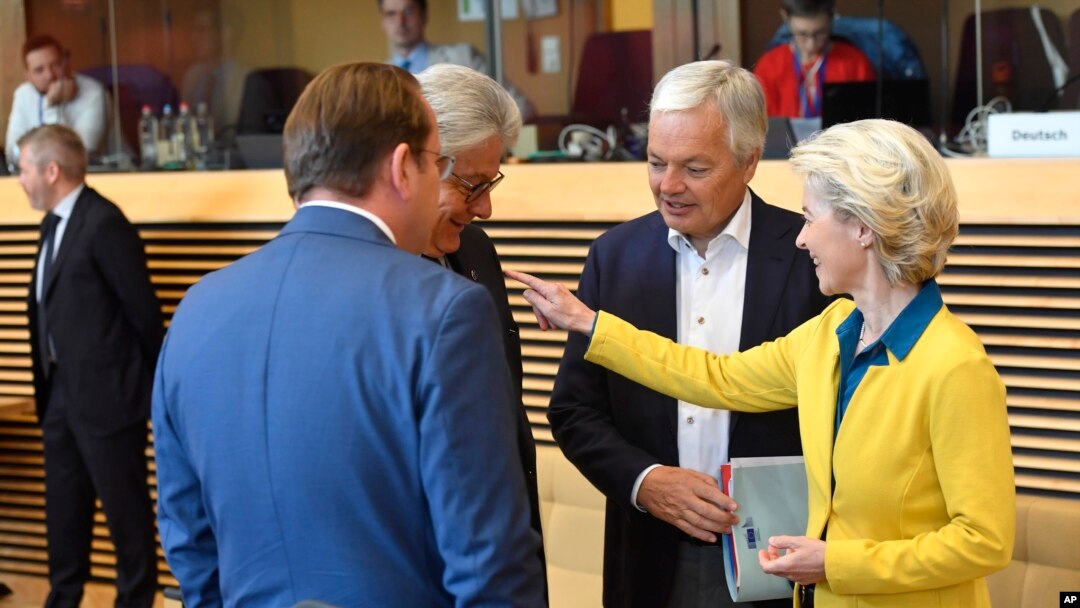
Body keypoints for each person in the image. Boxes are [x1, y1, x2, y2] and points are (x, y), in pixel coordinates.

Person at [510, 118, 1016, 607]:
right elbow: (718, 378)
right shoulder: (833, 330)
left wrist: (836, 563)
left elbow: (984, 541)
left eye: (811, 217)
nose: (801, 238)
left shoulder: (954, 366)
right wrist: (592, 325)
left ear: (862, 227)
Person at [152, 62, 544, 607]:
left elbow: (189, 540)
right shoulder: (442, 312)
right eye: (439, 166)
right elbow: (488, 566)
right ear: (404, 167)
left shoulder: (196, 309)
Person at [546, 60, 831, 608]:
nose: (667, 186)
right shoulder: (615, 257)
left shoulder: (812, 253)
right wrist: (645, 481)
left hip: (782, 561)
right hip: (649, 556)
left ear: (749, 161)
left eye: (695, 169)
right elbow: (575, 412)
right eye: (656, 163)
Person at [416, 62, 547, 594]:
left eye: (490, 183)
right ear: (416, 167)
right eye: (471, 186)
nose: (486, 208)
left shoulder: (475, 249)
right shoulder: (375, 285)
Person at [17, 124, 161, 608]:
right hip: (58, 394)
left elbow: (143, 313)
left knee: (127, 516)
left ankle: (136, 602)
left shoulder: (104, 223)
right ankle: (63, 598)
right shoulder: (51, 225)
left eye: (22, 169)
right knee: (65, 511)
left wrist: (145, 393)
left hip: (109, 401)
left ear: (50, 171)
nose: (19, 180)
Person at [379, 0, 536, 119]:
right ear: (383, 21)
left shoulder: (463, 57)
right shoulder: (378, 79)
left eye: (408, 12)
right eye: (391, 14)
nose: (400, 22)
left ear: (424, 16)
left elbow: (518, 106)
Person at [752, 0, 874, 118]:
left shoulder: (856, 63)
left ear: (832, 18)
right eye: (802, 34)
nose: (811, 44)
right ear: (785, 17)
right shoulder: (769, 66)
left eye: (820, 33)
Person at [6, 36, 107, 164]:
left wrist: (53, 106)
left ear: (66, 63)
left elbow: (78, 155)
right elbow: (12, 154)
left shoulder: (94, 92)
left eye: (55, 65)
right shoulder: (23, 94)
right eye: (39, 70)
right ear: (27, 76)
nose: (49, 75)